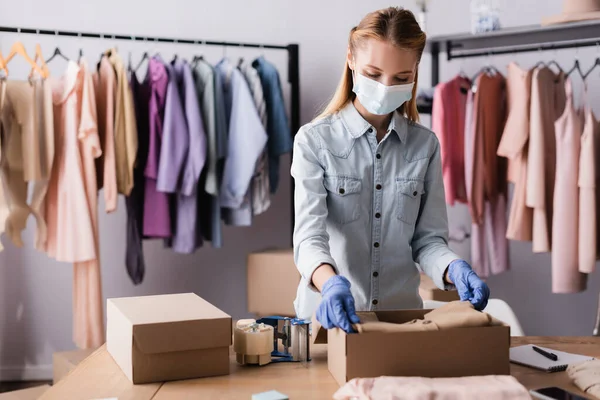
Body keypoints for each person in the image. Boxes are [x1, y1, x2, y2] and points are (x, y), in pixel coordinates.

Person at [291, 7, 490, 333]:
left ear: (414, 72)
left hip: (402, 322)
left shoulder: (425, 145)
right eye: (373, 74)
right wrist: (331, 285)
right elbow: (309, 239)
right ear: (351, 60)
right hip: (326, 320)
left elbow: (427, 242)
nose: (385, 88)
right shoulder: (314, 141)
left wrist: (454, 268)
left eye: (401, 78)